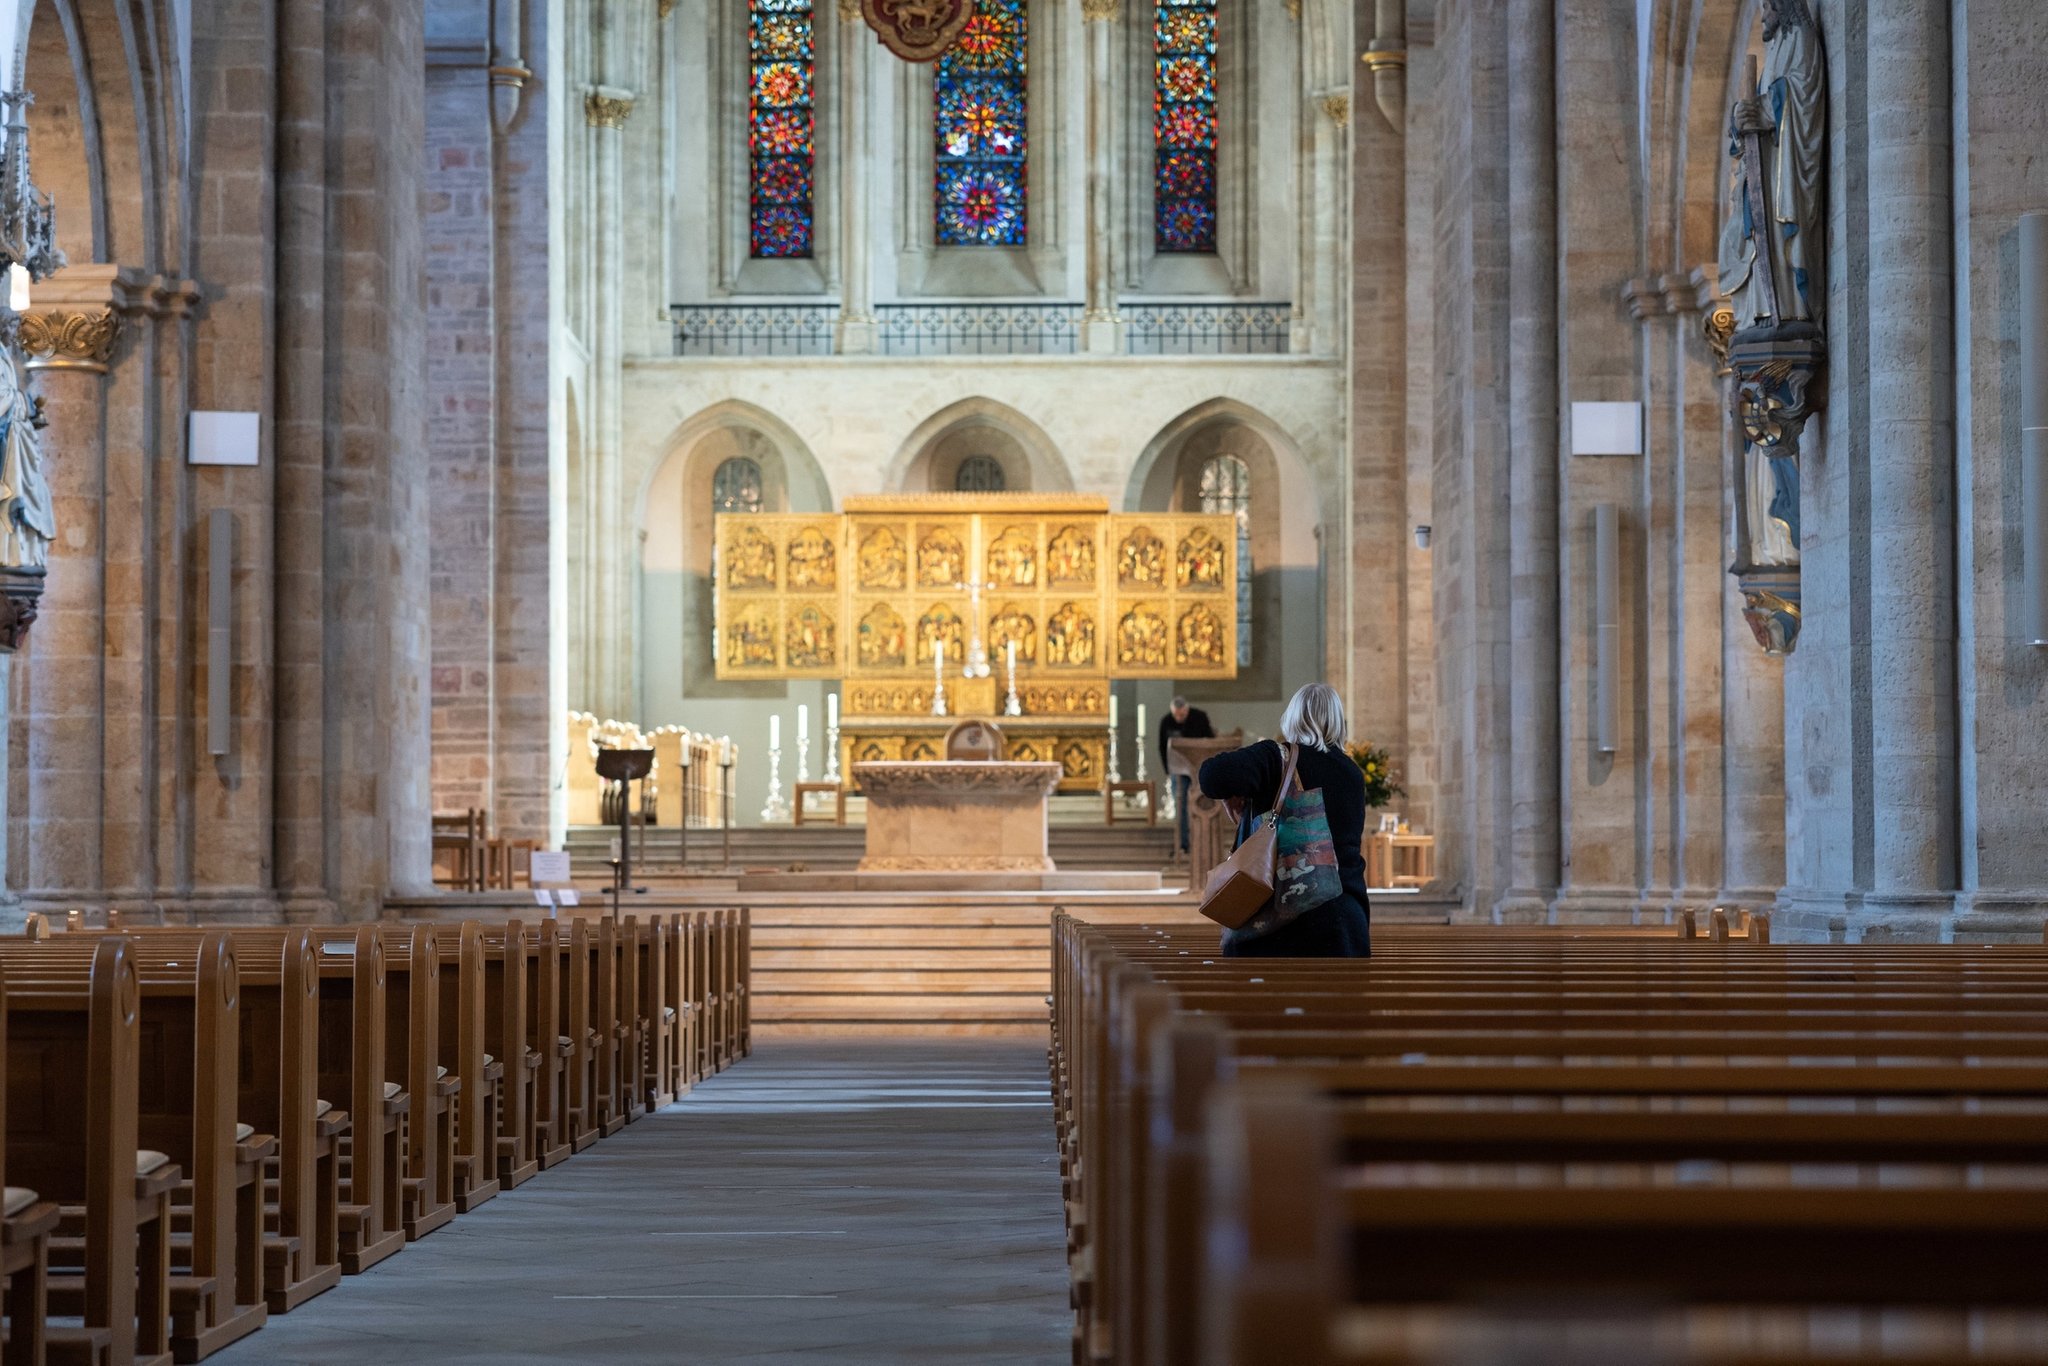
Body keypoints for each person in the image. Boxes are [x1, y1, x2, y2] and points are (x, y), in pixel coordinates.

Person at [1197, 682, 1371, 958]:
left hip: (1278, 928)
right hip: (1342, 926)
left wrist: (1232, 795)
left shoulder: (1274, 757)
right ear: (1339, 722)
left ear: (1291, 718)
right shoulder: (1352, 774)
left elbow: (1212, 776)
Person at [1157, 695, 1214, 854]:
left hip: (1199, 769)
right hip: (1178, 770)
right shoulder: (1166, 722)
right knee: (1180, 805)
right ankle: (1183, 843)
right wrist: (1168, 770)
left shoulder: (1200, 717)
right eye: (1176, 715)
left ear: (1187, 710)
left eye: (1182, 715)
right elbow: (1162, 747)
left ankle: (1203, 843)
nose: (1179, 718)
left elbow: (1209, 742)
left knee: (1203, 804)